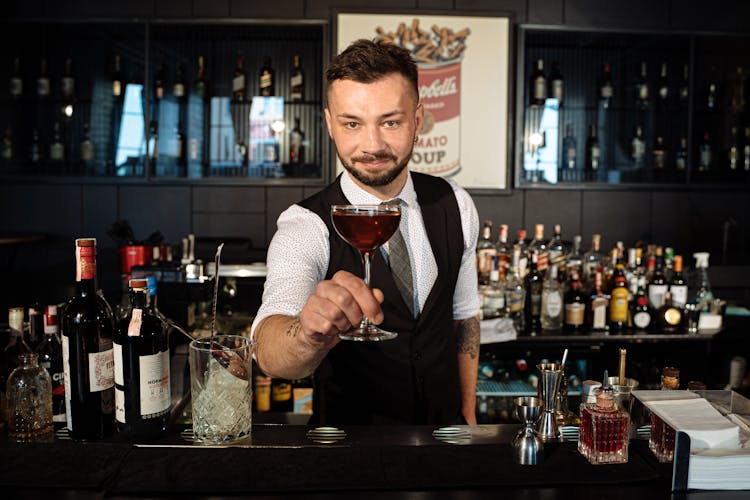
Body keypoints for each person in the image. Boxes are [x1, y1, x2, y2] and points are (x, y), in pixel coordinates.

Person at [251, 39, 480, 425]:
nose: (372, 145)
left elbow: (465, 319)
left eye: (391, 122)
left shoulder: (455, 202)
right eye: (352, 123)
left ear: (418, 120)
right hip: (350, 456)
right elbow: (269, 351)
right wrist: (306, 334)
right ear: (329, 124)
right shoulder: (304, 224)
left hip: (447, 444)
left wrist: (469, 413)